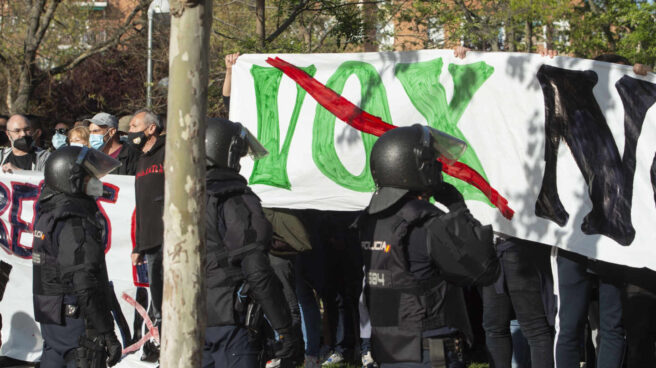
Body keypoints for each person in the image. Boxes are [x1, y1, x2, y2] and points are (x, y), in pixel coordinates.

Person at [357, 124, 499, 368]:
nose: (438, 166)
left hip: (391, 348)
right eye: (433, 160)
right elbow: (484, 270)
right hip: (431, 351)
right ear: (414, 166)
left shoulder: (370, 221)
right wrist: (458, 209)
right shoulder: (424, 221)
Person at [202, 117, 299, 367]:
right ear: (229, 154)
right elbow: (256, 270)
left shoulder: (183, 197)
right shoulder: (233, 198)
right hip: (231, 324)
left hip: (191, 320)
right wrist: (284, 328)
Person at [32, 145, 122, 367]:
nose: (94, 181)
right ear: (70, 178)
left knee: (54, 357)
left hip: (53, 315)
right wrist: (105, 331)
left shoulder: (50, 209)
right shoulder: (75, 218)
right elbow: (83, 279)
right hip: (75, 318)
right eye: (88, 176)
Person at [128, 108, 165, 362]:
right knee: (158, 298)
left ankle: (168, 347)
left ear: (150, 129)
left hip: (169, 240)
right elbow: (142, 206)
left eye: (133, 126)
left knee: (167, 299)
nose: (129, 132)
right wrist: (139, 245)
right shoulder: (141, 159)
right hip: (150, 242)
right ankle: (160, 342)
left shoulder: (169, 152)